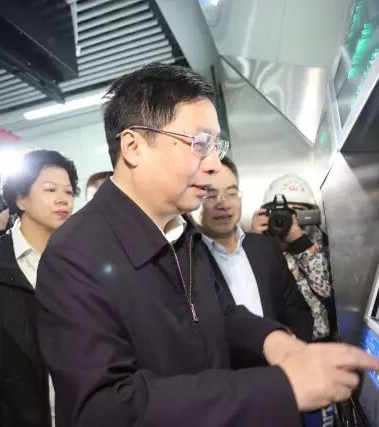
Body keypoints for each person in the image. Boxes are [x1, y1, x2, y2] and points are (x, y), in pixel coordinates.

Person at [34, 63, 379, 427]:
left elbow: (220, 313)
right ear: (134, 147)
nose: (214, 165)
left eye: (216, 146)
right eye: (199, 144)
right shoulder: (73, 256)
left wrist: (275, 341)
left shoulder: (182, 232)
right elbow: (107, 408)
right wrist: (281, 388)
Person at [0, 149, 79, 427]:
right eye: (50, 189)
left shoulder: (79, 262)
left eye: (69, 192)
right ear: (21, 198)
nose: (63, 199)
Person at [197, 157, 313, 343]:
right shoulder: (188, 260)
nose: (223, 204)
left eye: (232, 193)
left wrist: (293, 348)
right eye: (211, 195)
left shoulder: (266, 248)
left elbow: (299, 311)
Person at [252, 173, 335, 341]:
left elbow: (325, 289)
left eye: (295, 213)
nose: (287, 219)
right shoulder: (262, 244)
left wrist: (300, 242)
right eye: (281, 213)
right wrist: (255, 242)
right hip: (277, 340)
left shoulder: (317, 242)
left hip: (317, 339)